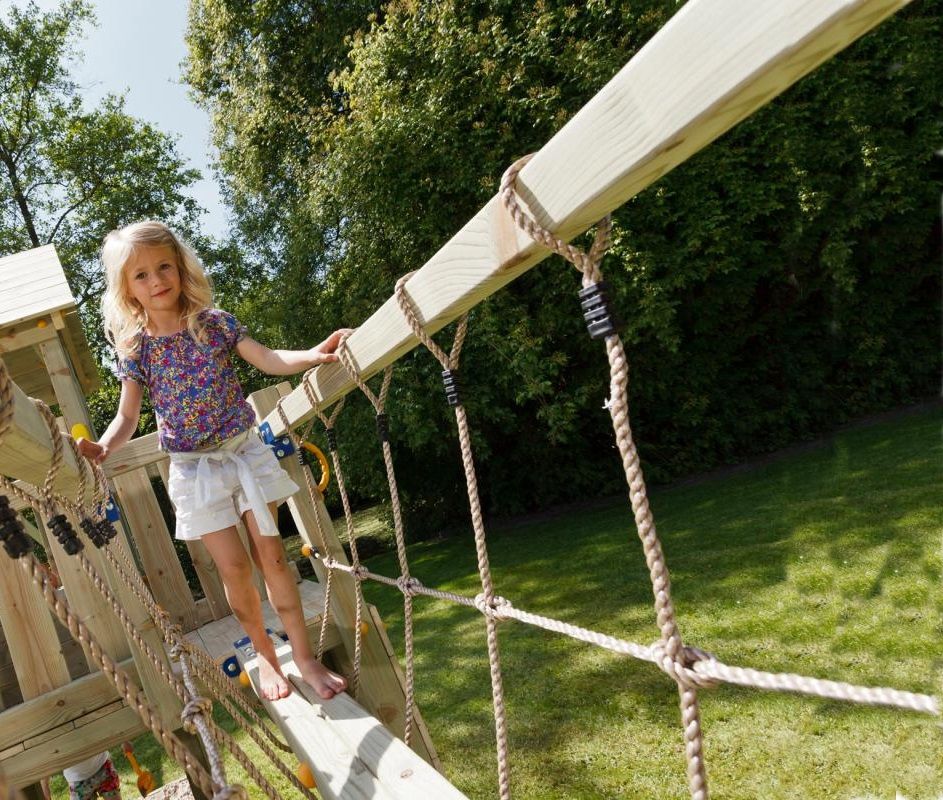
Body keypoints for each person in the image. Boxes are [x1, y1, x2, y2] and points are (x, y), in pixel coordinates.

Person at [79, 219, 348, 701]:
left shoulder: (213, 322)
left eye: (164, 267)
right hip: (194, 470)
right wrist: (104, 447)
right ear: (126, 288)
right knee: (234, 569)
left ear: (180, 268)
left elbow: (266, 358)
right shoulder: (137, 348)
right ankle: (267, 656)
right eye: (141, 275)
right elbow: (127, 414)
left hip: (244, 452)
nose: (156, 280)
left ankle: (305, 658)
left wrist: (310, 354)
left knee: (273, 558)